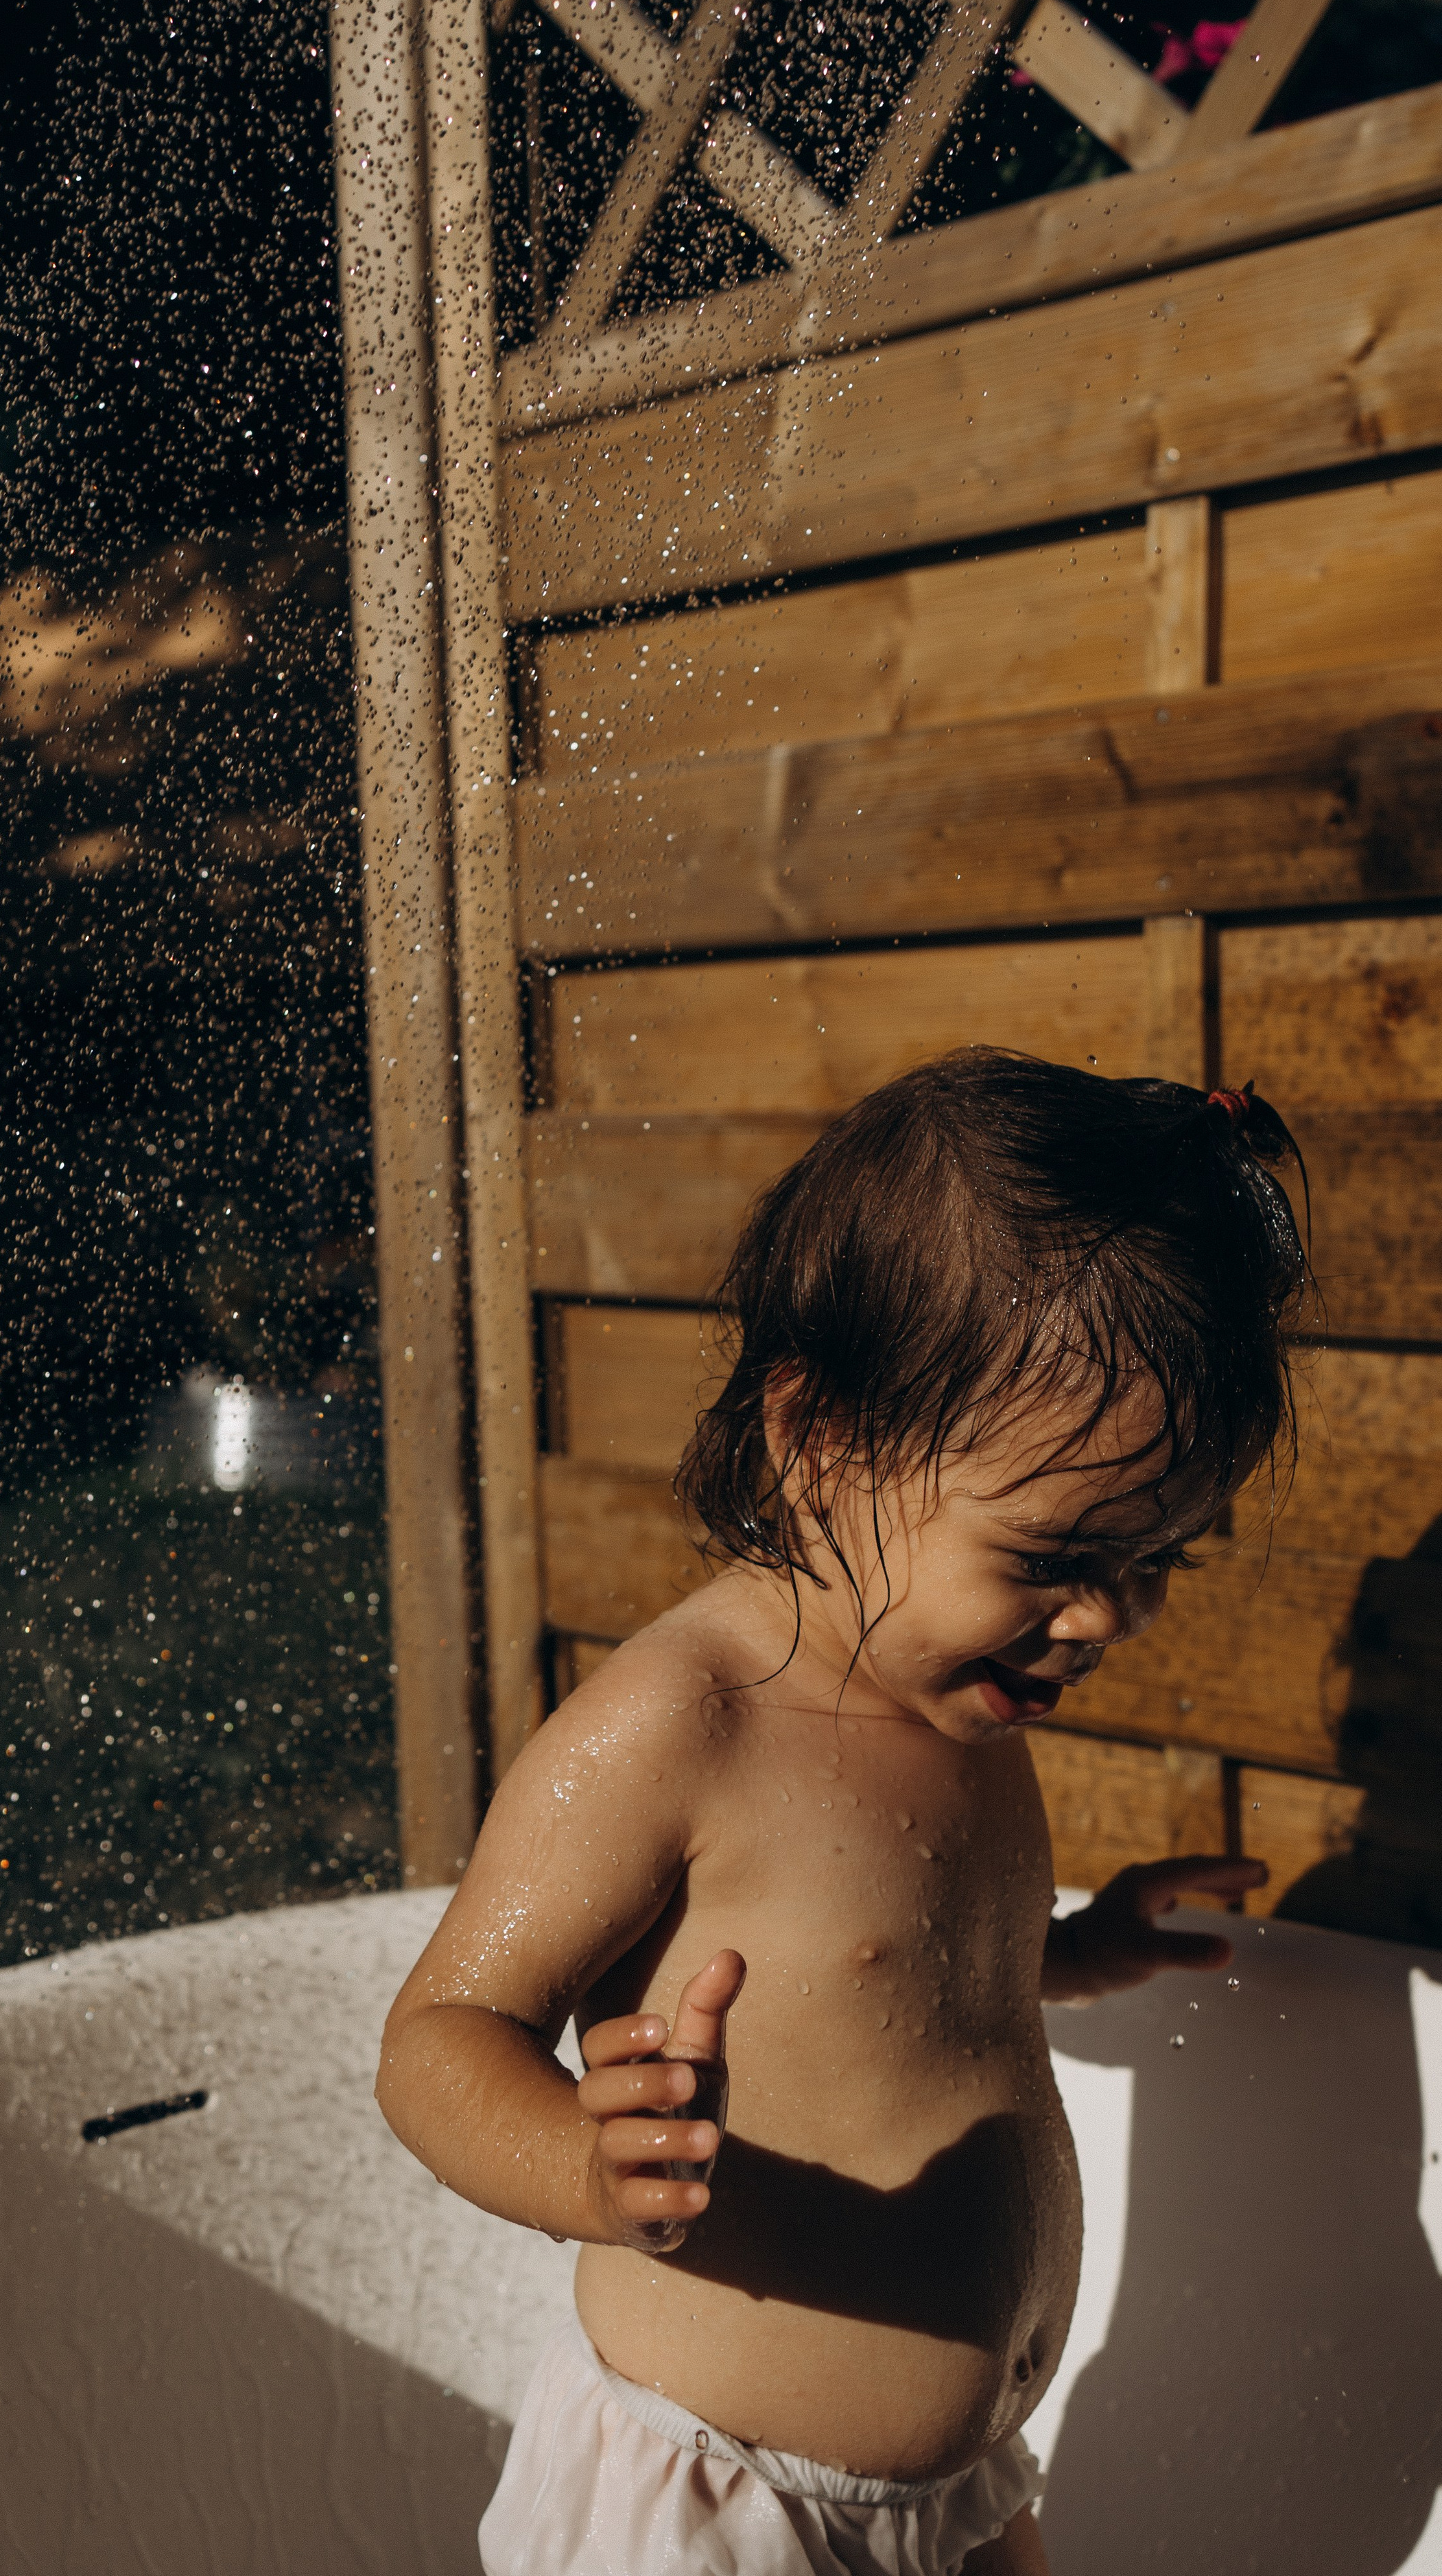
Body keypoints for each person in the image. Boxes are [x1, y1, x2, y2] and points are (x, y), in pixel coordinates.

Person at [377, 1050, 1307, 2576]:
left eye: (1156, 1561)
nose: (1104, 1619)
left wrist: (1078, 1950)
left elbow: (912, 1984)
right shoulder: (682, 1725)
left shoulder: (958, 1702)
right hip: (720, 2505)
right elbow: (437, 2038)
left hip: (957, 2486)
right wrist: (580, 2169)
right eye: (1052, 1559)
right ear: (821, 1441)